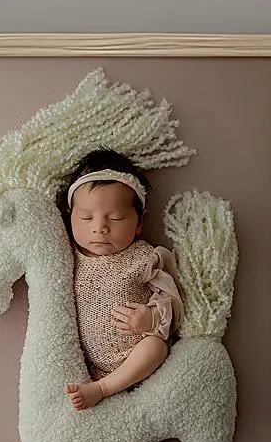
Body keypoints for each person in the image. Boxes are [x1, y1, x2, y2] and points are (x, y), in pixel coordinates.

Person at [58, 150, 184, 412]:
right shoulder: (66, 258)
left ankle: (103, 388)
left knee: (155, 347)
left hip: (135, 357)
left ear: (138, 224)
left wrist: (150, 318)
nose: (100, 227)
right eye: (86, 217)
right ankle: (96, 386)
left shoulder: (143, 257)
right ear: (70, 219)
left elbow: (173, 301)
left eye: (115, 218)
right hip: (86, 363)